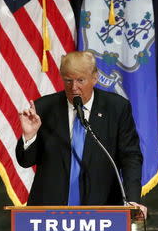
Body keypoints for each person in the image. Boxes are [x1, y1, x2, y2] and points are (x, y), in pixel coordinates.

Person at [16, 51, 147, 217]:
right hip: (50, 209)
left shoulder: (117, 108)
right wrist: (29, 136)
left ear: (95, 78)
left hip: (102, 206)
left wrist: (133, 199)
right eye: (68, 80)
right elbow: (25, 161)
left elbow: (130, 156)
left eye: (80, 80)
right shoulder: (44, 108)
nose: (74, 87)